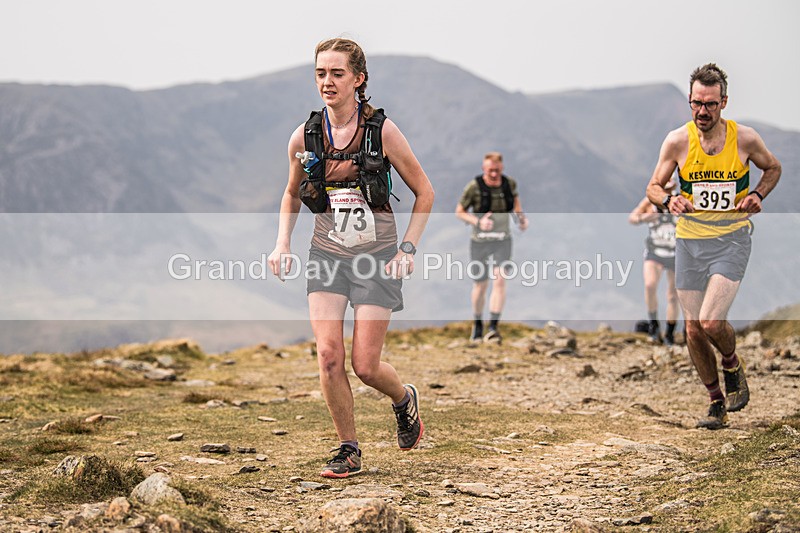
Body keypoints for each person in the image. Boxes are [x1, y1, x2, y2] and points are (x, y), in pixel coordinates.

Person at [268, 38, 434, 477]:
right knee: (328, 356)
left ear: (358, 80)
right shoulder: (303, 136)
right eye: (321, 73)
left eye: (337, 73)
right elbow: (290, 193)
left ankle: (403, 399)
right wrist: (282, 243)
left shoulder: (382, 132)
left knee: (364, 365)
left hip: (376, 256)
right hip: (326, 252)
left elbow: (425, 193)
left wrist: (408, 249)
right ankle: (348, 449)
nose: (327, 81)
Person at [646, 63, 781, 430]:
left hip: (731, 240)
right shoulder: (677, 141)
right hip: (690, 242)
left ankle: (732, 363)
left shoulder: (745, 139)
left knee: (710, 320)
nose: (702, 111)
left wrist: (757, 193)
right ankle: (715, 402)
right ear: (690, 102)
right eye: (696, 103)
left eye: (710, 104)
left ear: (724, 102)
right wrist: (667, 202)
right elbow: (654, 186)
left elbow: (773, 168)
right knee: (692, 329)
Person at [456, 152, 528, 343]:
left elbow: (516, 204)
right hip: (479, 241)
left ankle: (493, 327)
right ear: (484, 169)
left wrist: (521, 219)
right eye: (490, 171)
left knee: (500, 280)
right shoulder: (474, 187)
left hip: (502, 240)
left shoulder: (509, 184)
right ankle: (478, 324)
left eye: (497, 170)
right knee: (481, 284)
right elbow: (460, 212)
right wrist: (477, 222)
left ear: (501, 168)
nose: (494, 174)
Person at [629, 178, 679, 345]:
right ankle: (653, 324)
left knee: (673, 296)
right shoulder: (651, 201)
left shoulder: (681, 199)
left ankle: (670, 333)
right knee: (650, 285)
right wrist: (645, 218)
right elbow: (633, 217)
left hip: (676, 253)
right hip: (655, 251)